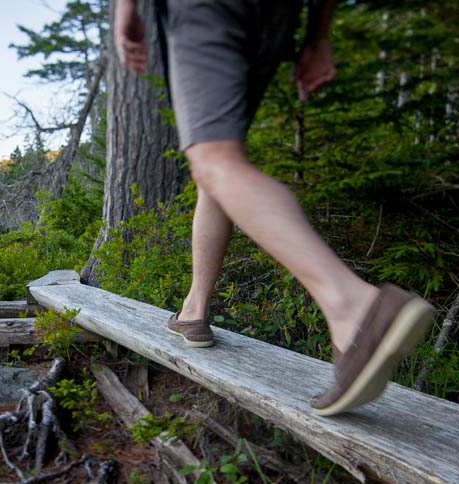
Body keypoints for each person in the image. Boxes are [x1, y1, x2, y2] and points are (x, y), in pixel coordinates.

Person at [114, 0, 434, 416]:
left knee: (215, 161)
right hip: (274, 15)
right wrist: (319, 35)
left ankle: (353, 306)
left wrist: (126, 8)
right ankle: (194, 309)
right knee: (217, 162)